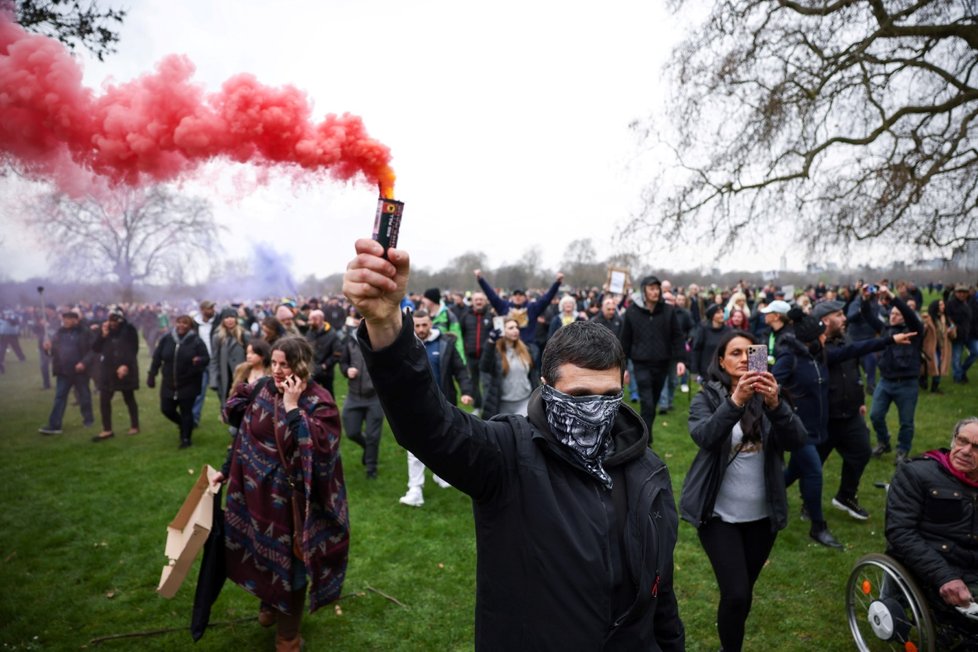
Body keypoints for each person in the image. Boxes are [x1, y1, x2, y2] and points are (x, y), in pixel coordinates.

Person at [344, 239, 684, 650]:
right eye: (578, 397)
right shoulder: (509, 455)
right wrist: (385, 327)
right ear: (547, 387)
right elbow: (428, 426)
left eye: (608, 397)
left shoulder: (648, 472)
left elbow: (660, 595)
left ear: (623, 387)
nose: (594, 411)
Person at [212, 336, 349, 652]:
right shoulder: (262, 389)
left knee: (293, 565)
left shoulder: (318, 401)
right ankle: (269, 603)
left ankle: (288, 635)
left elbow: (319, 451)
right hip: (254, 496)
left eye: (283, 364)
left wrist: (291, 407)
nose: (275, 370)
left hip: (293, 506)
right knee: (261, 553)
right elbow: (243, 434)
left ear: (300, 364)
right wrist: (226, 467)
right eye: (273, 362)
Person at [680, 330, 806, 652]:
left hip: (762, 518)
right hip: (718, 514)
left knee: (742, 594)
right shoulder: (706, 398)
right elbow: (705, 437)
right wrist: (735, 401)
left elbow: (798, 442)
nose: (742, 359)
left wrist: (776, 405)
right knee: (736, 593)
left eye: (749, 352)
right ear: (721, 360)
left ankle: (729, 639)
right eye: (734, 353)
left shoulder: (770, 395)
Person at [815, 300, 913, 521]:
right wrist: (888, 340)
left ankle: (846, 496)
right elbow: (853, 351)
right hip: (824, 417)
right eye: (839, 314)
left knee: (861, 452)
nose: (844, 318)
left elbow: (852, 372)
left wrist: (859, 399)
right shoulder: (814, 347)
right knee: (810, 465)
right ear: (824, 320)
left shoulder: (844, 338)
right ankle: (806, 504)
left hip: (849, 414)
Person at [886, 417, 978, 636]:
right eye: (962, 441)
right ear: (953, 439)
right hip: (936, 570)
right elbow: (900, 533)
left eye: (976, 447)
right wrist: (945, 576)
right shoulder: (917, 474)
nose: (965, 451)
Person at [398, 309, 474, 507]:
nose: (421, 329)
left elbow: (460, 370)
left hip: (443, 403)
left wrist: (466, 390)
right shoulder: (404, 344)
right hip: (412, 405)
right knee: (414, 447)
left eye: (425, 325)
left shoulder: (446, 344)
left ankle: (441, 474)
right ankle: (415, 488)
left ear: (431, 323)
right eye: (417, 325)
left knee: (443, 441)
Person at [620, 274, 687, 438]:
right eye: (652, 288)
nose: (656, 292)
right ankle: (646, 439)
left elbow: (677, 336)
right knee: (647, 402)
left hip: (662, 362)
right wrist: (622, 368)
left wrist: (680, 360)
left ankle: (644, 433)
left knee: (654, 401)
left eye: (657, 288)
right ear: (644, 291)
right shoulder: (632, 312)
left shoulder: (668, 311)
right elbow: (625, 341)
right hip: (640, 363)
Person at [870, 287, 924, 465]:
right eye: (891, 313)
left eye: (897, 314)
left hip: (907, 384)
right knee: (875, 415)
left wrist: (893, 298)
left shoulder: (915, 331)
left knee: (906, 422)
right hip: (885, 382)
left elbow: (909, 314)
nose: (893, 316)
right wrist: (864, 298)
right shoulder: (885, 330)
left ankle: (902, 450)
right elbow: (867, 315)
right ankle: (884, 442)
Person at [474, 268, 563, 368]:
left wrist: (557, 283)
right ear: (512, 297)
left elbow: (546, 298)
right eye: (515, 294)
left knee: (531, 372)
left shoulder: (532, 308)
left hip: (528, 345)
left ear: (525, 297)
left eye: (520, 295)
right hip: (508, 346)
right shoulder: (504, 306)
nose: (518, 297)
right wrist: (480, 279)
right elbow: (492, 296)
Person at [147, 315, 210, 449]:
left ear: (190, 326)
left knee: (186, 411)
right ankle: (183, 424)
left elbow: (206, 358)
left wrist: (198, 360)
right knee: (166, 409)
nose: (181, 325)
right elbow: (157, 357)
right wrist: (152, 375)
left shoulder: (196, 341)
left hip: (189, 383)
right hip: (169, 383)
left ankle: (186, 439)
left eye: (185, 323)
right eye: (179, 322)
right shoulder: (167, 339)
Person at [340, 311, 384, 479]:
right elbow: (343, 362)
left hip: (375, 397)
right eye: (361, 319)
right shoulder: (350, 341)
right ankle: (367, 446)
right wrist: (346, 370)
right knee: (351, 432)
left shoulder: (381, 340)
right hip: (353, 396)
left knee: (374, 435)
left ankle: (371, 468)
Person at [38, 310, 95, 435]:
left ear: (76, 320)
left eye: (69, 319)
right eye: (64, 319)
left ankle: (88, 419)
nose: (66, 321)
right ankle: (55, 425)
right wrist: (48, 349)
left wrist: (84, 363)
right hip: (63, 371)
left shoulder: (85, 332)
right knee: (60, 397)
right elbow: (53, 352)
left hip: (80, 370)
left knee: (84, 396)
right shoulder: (59, 333)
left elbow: (93, 350)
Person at [91, 306, 140, 442]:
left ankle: (135, 425)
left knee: (128, 397)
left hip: (125, 367)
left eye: (115, 319)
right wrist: (103, 335)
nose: (112, 322)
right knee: (104, 399)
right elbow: (95, 348)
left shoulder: (129, 330)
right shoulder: (105, 331)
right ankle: (107, 429)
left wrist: (125, 365)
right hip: (108, 369)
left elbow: (133, 349)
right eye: (110, 319)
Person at [480, 317, 537, 418]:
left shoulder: (526, 349)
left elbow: (532, 376)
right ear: (502, 330)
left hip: (525, 400)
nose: (515, 330)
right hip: (504, 403)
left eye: (516, 327)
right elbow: (484, 367)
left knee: (524, 432)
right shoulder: (495, 352)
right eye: (511, 328)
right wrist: (491, 342)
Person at [459, 291, 494, 415]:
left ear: (485, 301)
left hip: (487, 357)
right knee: (473, 382)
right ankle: (477, 406)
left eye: (481, 299)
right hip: (471, 355)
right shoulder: (465, 316)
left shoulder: (491, 315)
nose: (478, 302)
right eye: (476, 300)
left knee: (487, 383)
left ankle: (487, 408)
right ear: (472, 301)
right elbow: (461, 334)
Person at [210, 308, 249, 402]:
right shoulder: (217, 337)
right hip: (224, 375)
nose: (229, 320)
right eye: (226, 317)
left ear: (236, 318)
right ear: (222, 320)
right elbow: (214, 359)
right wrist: (213, 380)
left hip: (241, 375)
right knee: (226, 403)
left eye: (232, 317)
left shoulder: (245, 335)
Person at [305, 309, 341, 397]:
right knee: (310, 395)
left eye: (311, 319)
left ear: (319, 319)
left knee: (328, 394)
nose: (309, 322)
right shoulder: (309, 333)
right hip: (312, 370)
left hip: (326, 372)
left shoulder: (332, 334)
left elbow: (338, 353)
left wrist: (325, 365)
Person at [193, 300, 218, 427]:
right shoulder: (194, 324)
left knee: (223, 390)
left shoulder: (217, 323)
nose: (212, 311)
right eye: (209, 308)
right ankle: (194, 418)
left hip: (216, 362)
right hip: (202, 363)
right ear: (202, 310)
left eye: (213, 308)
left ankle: (229, 416)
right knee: (199, 392)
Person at [691, 304, 730, 384]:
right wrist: (694, 370)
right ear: (712, 315)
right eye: (718, 313)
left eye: (722, 312)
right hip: (706, 369)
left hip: (724, 369)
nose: (722, 314)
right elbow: (696, 349)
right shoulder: (703, 330)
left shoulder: (728, 331)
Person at [946, 283, 976, 384]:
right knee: (956, 357)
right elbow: (947, 318)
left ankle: (962, 371)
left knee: (975, 352)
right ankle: (958, 378)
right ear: (955, 293)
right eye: (960, 292)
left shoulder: (968, 303)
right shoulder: (950, 304)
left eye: (964, 292)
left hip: (969, 334)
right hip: (957, 335)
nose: (962, 294)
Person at [921, 298, 951, 394]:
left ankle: (934, 387)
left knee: (938, 367)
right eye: (941, 305)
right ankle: (922, 380)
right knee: (931, 366)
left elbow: (951, 334)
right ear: (935, 307)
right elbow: (921, 332)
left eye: (943, 304)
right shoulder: (928, 319)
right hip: (930, 346)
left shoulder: (944, 318)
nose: (943, 306)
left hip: (942, 347)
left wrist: (951, 330)